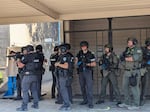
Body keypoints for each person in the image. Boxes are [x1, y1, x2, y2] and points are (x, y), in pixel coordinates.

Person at [118, 37, 142, 110]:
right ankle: (126, 102)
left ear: (134, 42)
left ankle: (136, 104)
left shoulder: (138, 50)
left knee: (134, 88)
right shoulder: (127, 50)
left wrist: (124, 58)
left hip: (134, 71)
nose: (128, 43)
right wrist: (122, 58)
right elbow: (121, 57)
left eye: (129, 42)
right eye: (128, 42)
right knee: (124, 87)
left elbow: (133, 58)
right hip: (126, 71)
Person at [16, 45, 39, 111]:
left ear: (28, 50)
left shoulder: (27, 56)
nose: (24, 51)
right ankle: (36, 104)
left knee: (25, 91)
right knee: (34, 90)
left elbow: (20, 66)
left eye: (25, 50)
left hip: (28, 75)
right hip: (35, 75)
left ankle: (24, 107)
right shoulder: (37, 55)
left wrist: (18, 60)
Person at [76, 41, 96, 108]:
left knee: (89, 88)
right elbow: (76, 61)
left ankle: (90, 103)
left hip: (88, 72)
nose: (83, 47)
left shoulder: (90, 54)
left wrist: (87, 64)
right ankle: (85, 100)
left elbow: (94, 64)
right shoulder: (79, 53)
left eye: (84, 46)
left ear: (87, 47)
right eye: (82, 46)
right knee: (82, 87)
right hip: (81, 72)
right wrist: (77, 61)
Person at [55, 44, 71, 110]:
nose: (59, 50)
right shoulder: (61, 56)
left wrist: (58, 64)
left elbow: (66, 66)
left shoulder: (65, 56)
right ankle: (66, 103)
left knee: (64, 90)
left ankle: (67, 105)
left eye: (60, 49)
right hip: (61, 75)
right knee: (63, 90)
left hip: (64, 75)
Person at [140, 38, 150, 105]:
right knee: (145, 84)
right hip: (146, 68)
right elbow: (140, 59)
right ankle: (142, 99)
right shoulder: (143, 50)